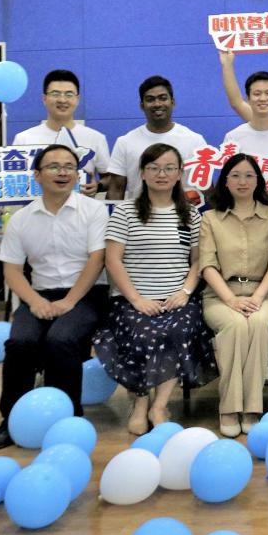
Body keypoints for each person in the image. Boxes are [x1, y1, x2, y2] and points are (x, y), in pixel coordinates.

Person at [0, 145, 110, 450]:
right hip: (39, 294)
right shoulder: (21, 218)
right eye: (54, 166)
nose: (63, 172)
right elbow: (12, 270)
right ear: (38, 175)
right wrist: (35, 302)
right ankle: (11, 420)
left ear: (77, 175)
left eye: (69, 166)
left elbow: (97, 260)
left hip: (86, 294)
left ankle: (66, 419)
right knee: (20, 342)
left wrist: (70, 301)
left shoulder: (93, 211)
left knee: (60, 340)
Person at [94, 144, 217, 435]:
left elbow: (198, 260)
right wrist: (136, 299)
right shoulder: (125, 212)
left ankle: (159, 406)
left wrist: (185, 291)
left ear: (179, 173)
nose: (162, 174)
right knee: (144, 333)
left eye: (169, 168)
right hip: (132, 299)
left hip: (177, 298)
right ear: (142, 173)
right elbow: (113, 260)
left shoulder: (190, 214)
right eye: (154, 168)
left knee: (178, 330)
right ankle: (139, 402)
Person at [199, 153, 268, 436]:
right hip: (220, 296)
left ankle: (252, 408)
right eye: (235, 175)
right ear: (225, 181)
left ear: (258, 180)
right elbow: (207, 265)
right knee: (236, 325)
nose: (242, 181)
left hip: (263, 294)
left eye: (249, 175)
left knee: (257, 324)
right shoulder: (211, 218)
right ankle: (229, 408)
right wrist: (231, 300)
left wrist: (257, 297)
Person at [107, 76, 209, 199]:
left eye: (163, 98)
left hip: (183, 211)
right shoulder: (125, 142)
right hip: (139, 211)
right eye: (150, 99)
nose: (157, 104)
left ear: (173, 102)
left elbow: (206, 189)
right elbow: (116, 190)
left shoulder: (195, 141)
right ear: (142, 105)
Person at [13, 69, 111, 195]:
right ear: (44, 98)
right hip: (37, 206)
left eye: (69, 94)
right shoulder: (23, 139)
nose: (62, 100)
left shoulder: (95, 138)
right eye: (55, 94)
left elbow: (109, 179)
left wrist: (98, 186)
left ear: (77, 99)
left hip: (81, 206)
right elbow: (12, 181)